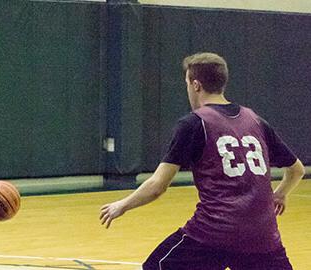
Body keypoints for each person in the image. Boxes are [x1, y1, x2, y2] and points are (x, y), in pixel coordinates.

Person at [99, 52, 305, 269]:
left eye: (187, 83)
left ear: (195, 85)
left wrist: (122, 205)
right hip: (262, 236)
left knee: (155, 266)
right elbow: (296, 170)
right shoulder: (255, 120)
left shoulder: (194, 124)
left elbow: (157, 186)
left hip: (213, 233)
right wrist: (280, 193)